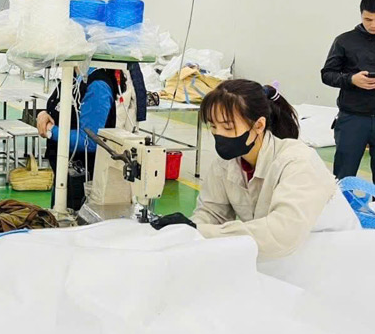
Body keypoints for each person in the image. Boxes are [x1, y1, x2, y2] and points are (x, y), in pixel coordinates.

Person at [152, 79, 359, 261]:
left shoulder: (297, 161)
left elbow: (282, 233)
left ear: (259, 125)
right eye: (213, 127)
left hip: (332, 254)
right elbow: (212, 213)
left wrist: (201, 232)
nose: (219, 135)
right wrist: (187, 233)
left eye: (228, 126)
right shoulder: (226, 163)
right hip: (282, 257)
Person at [36, 66, 146, 208]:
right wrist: (43, 114)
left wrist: (51, 130)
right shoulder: (74, 76)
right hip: (63, 173)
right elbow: (59, 108)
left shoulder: (97, 85)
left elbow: (89, 140)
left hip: (82, 179)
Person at [321, 0, 375, 197]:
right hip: (353, 117)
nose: (373, 24)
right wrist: (351, 80)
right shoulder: (344, 41)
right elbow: (327, 74)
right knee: (344, 174)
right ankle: (342, 217)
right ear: (361, 15)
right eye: (367, 19)